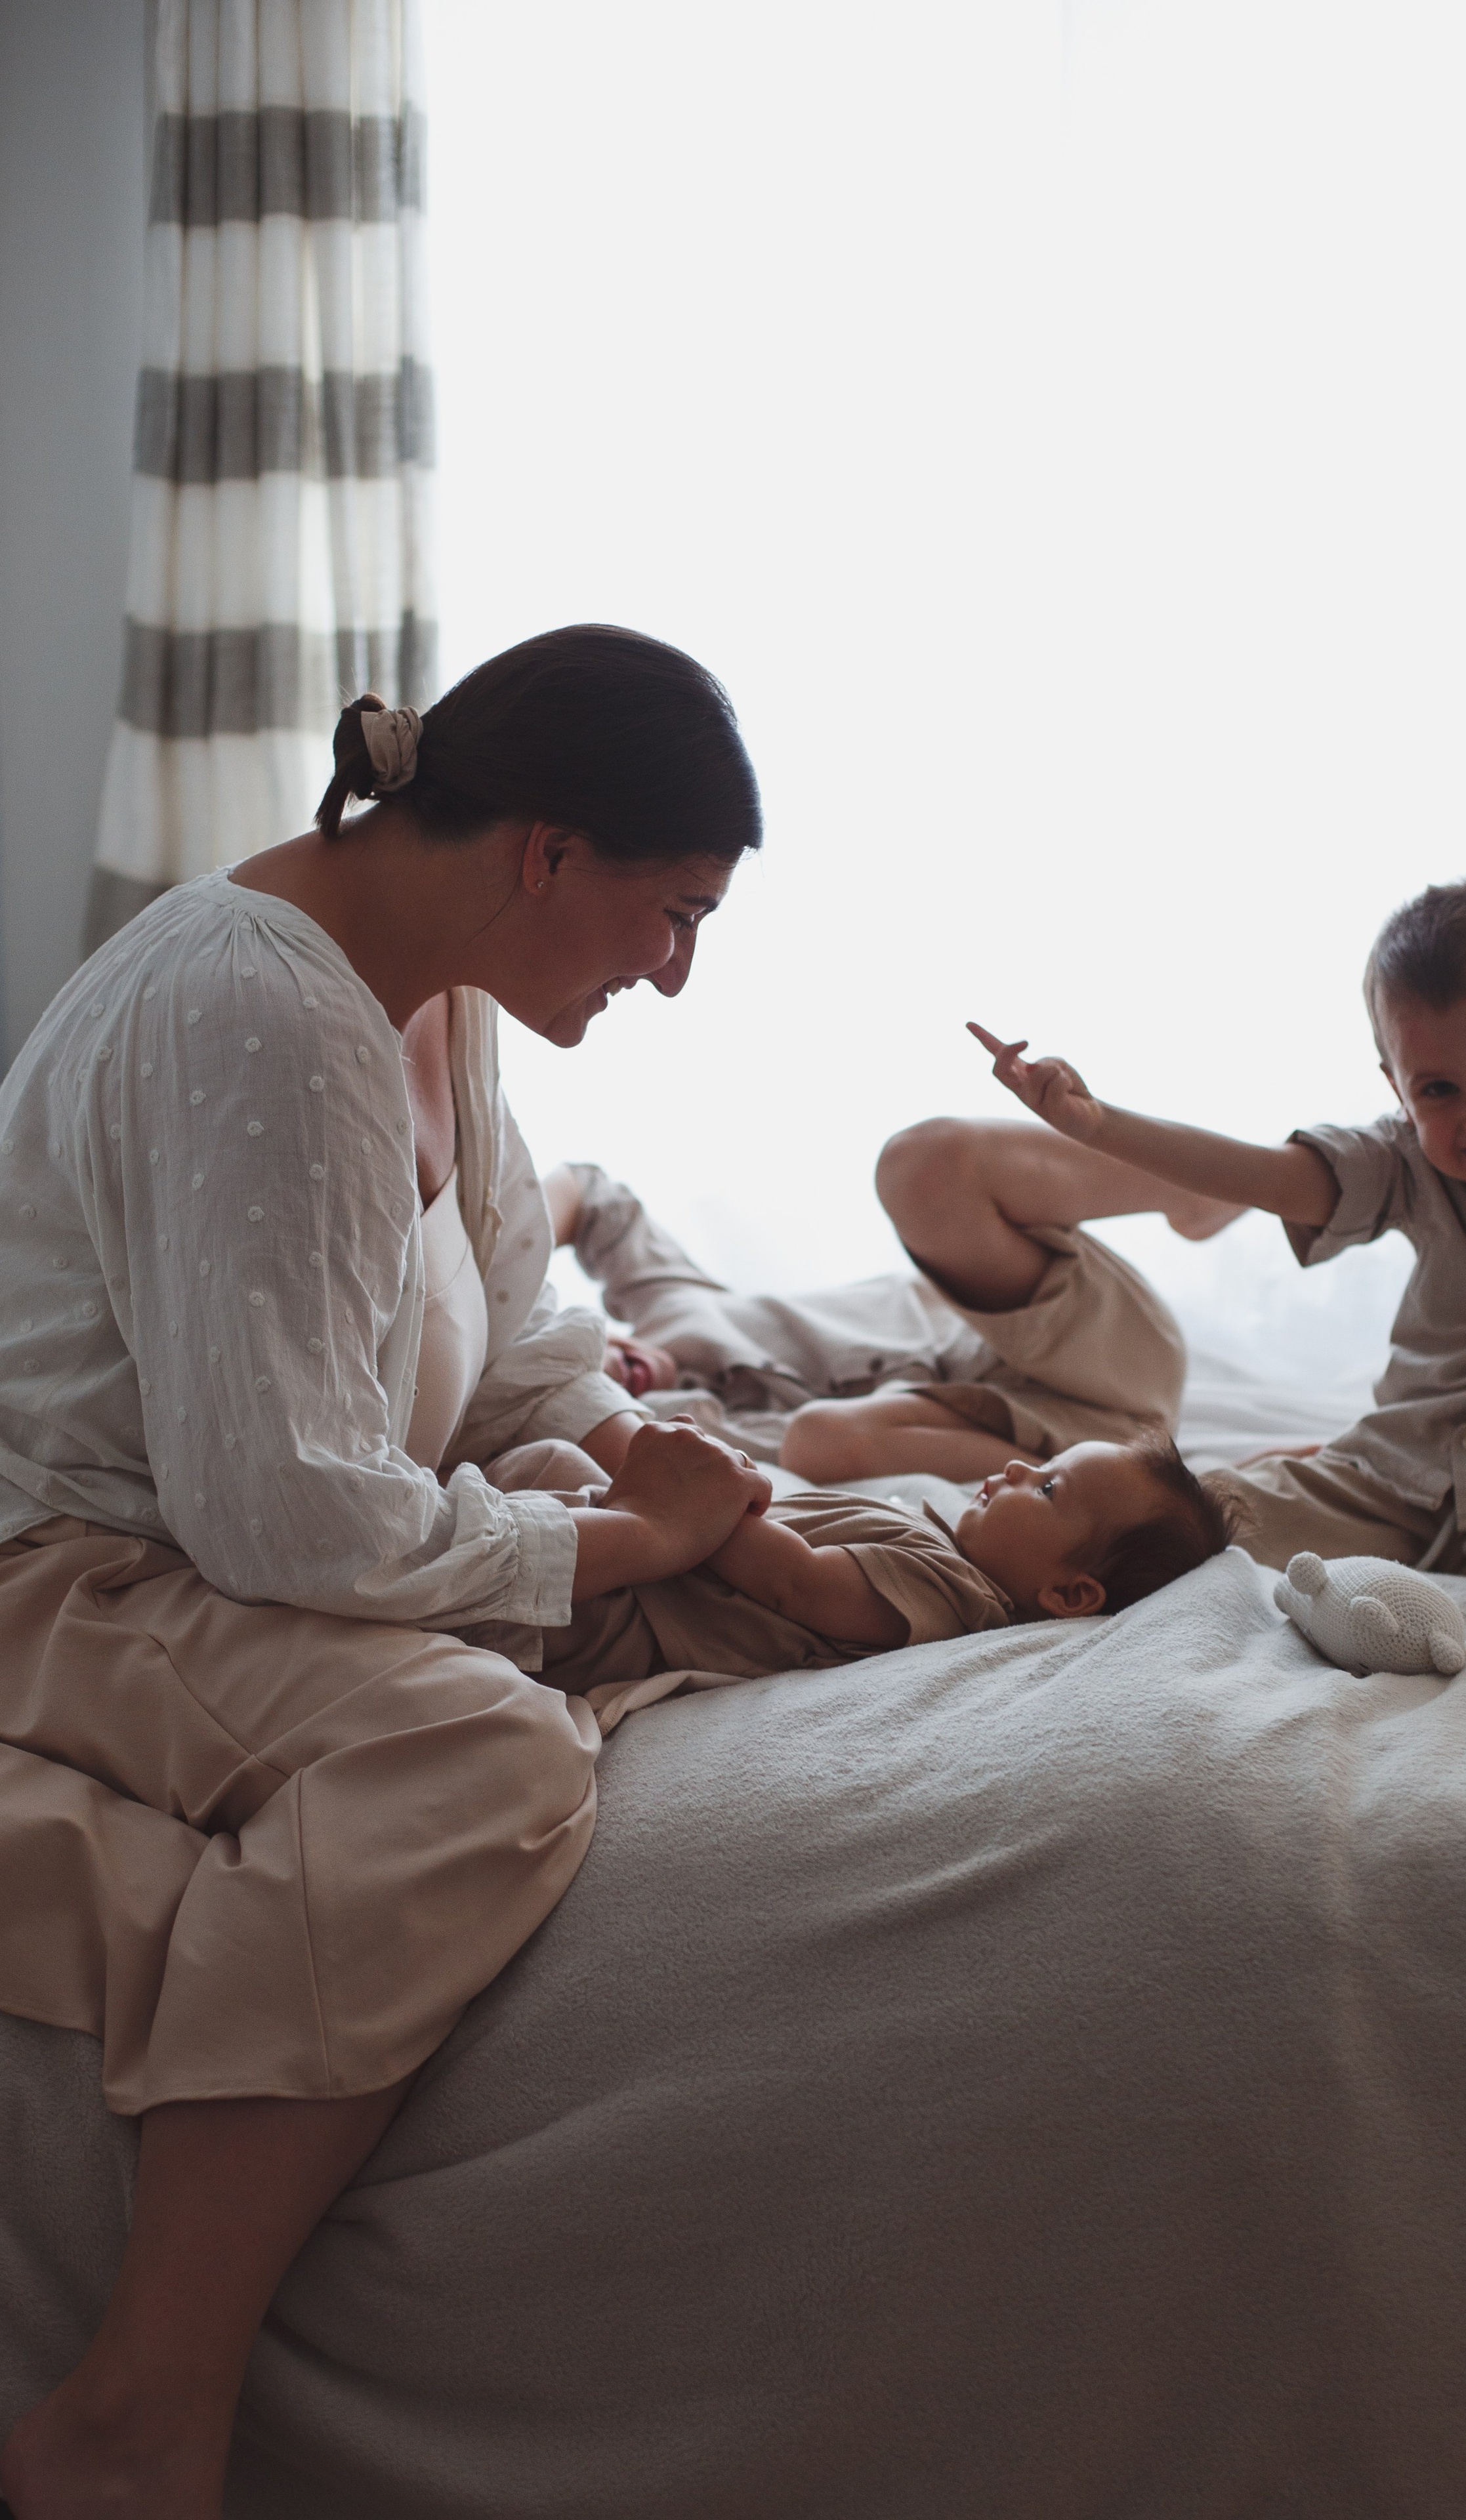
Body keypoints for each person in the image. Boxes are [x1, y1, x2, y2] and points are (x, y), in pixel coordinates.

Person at [0, 625, 772, 2520]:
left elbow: (507, 1347)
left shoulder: (439, 1000)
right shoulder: (255, 1009)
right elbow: (281, 1521)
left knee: (691, 1594)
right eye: (672, 915)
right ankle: (135, 2405)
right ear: (548, 853)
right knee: (488, 1754)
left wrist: (652, 1473)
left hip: (233, 1545)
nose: (669, 972)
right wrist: (607, 1535)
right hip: (77, 1573)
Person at [971, 876, 1466, 1613]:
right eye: (1438, 1089)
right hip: (1394, 1478)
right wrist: (1101, 1124)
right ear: (1398, 1088)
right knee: (1155, 1533)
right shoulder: (1403, 1159)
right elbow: (1267, 1177)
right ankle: (925, 1575)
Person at [543, 1133, 1241, 1484]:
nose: (604, 1366)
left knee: (922, 1165)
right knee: (821, 1439)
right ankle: (1141, 1486)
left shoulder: (669, 1303)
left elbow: (588, 1188)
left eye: (583, 1345)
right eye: (583, 1376)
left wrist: (497, 1269)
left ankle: (1197, 1186)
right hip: (1065, 1451)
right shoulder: (659, 1443)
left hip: (1084, 1352)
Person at [484, 1432, 1236, 1711]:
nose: (1014, 1466)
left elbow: (798, 1581)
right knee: (550, 1459)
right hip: (655, 1564)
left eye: (1046, 1487)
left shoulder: (959, 1598)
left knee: (522, 1528)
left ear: (1070, 1593)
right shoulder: (940, 1538)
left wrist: (719, 1495)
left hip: (626, 1617)